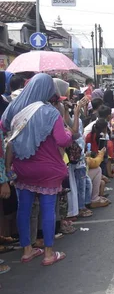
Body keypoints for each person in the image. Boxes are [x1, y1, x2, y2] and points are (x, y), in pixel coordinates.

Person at [1, 73, 76, 266]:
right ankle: (49, 253)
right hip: (48, 169)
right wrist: (68, 132)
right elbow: (62, 140)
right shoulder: (50, 112)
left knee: (24, 209)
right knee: (48, 208)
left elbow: (4, 127)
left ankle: (27, 250)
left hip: (22, 168)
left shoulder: (14, 107)